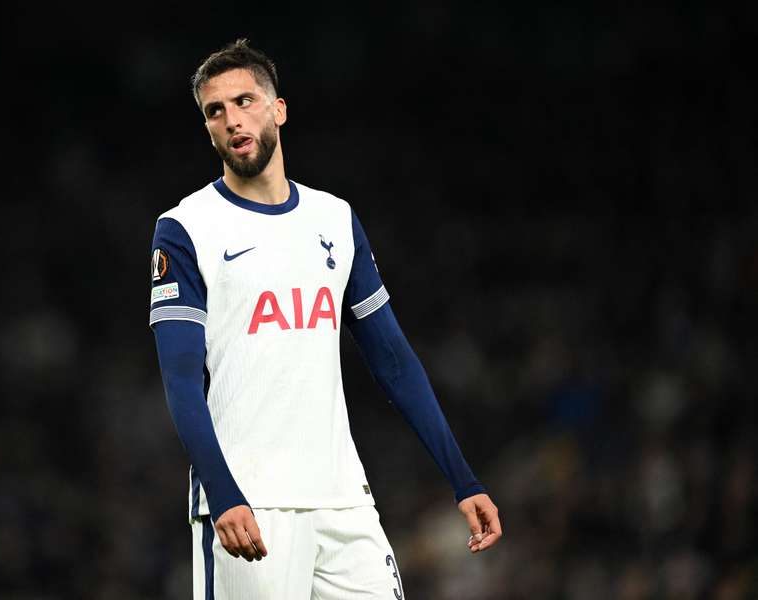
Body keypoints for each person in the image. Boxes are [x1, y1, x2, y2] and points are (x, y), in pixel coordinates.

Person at [149, 38, 501, 599]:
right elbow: (181, 380)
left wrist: (462, 478)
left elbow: (392, 359)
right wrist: (222, 493)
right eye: (214, 111)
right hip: (251, 503)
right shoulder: (186, 228)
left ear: (278, 109)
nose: (231, 120)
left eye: (244, 101)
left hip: (343, 500)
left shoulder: (334, 219)